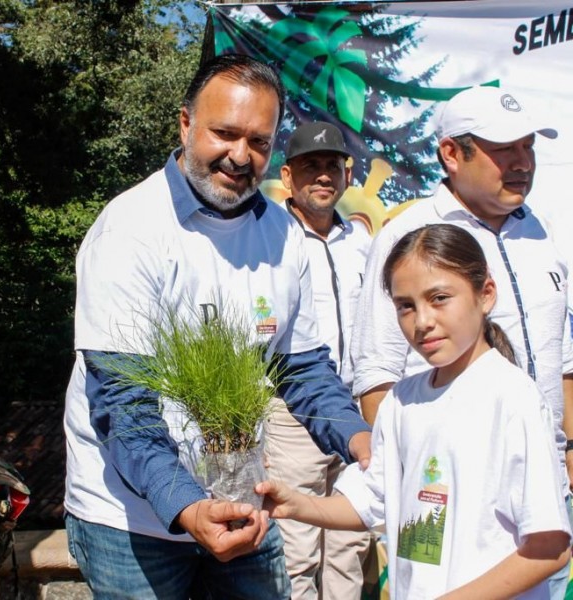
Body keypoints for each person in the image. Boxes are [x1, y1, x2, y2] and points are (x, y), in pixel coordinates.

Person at [64, 54, 372, 599]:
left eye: (258, 141)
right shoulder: (130, 230)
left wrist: (361, 440)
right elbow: (121, 401)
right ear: (185, 124)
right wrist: (187, 506)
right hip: (130, 521)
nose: (239, 156)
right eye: (224, 133)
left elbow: (301, 367)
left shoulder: (284, 235)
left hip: (244, 506)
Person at [260, 223, 572, 598]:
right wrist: (297, 505)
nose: (422, 321)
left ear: (486, 294)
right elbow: (371, 501)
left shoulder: (513, 398)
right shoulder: (402, 400)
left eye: (439, 298)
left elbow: (549, 548)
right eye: (405, 306)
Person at [351, 85, 573, 596]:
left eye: (528, 147)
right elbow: (377, 378)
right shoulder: (408, 236)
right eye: (503, 151)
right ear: (451, 154)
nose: (521, 164)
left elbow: (562, 361)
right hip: (454, 514)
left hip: (542, 502)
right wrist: (418, 483)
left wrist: (566, 463)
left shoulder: (542, 233)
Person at [264, 121, 372, 599]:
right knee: (298, 545)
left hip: (358, 411)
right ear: (288, 177)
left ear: (347, 176)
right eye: (312, 166)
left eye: (333, 166)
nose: (324, 176)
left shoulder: (365, 245)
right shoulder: (270, 243)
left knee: (351, 546)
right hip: (293, 412)